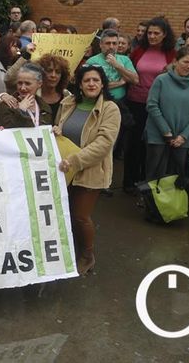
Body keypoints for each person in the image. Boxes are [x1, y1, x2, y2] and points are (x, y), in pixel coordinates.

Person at [53, 65, 120, 275]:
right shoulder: (68, 103)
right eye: (87, 80)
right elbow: (59, 129)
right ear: (80, 85)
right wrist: (56, 131)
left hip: (90, 170)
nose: (91, 84)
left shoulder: (110, 109)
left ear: (102, 84)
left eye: (96, 80)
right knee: (66, 214)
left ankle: (87, 256)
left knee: (81, 216)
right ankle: (70, 252)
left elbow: (103, 144)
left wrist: (75, 160)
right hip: (65, 168)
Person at [124, 17, 177, 193]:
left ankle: (146, 183)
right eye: (149, 33)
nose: (152, 36)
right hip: (135, 102)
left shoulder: (172, 54)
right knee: (133, 144)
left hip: (158, 106)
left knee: (152, 146)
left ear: (165, 35)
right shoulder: (139, 51)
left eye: (156, 33)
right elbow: (129, 73)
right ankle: (129, 182)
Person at [143, 47, 189, 188]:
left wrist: (184, 136)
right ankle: (151, 206)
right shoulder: (161, 80)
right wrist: (166, 132)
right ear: (175, 61)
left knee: (176, 177)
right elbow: (152, 105)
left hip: (181, 139)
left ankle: (171, 208)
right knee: (154, 174)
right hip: (158, 136)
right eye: (185, 61)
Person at [86, 30, 139, 102]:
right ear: (101, 44)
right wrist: (119, 83)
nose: (111, 46)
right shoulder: (92, 61)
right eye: (108, 43)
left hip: (120, 101)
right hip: (100, 101)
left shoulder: (124, 59)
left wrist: (117, 66)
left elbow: (135, 80)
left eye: (114, 43)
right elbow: (93, 86)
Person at [0, 63, 53, 128]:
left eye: (27, 83)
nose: (22, 88)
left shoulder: (45, 108)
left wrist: (54, 132)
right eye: (20, 83)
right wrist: (20, 111)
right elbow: (7, 131)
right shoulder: (5, 106)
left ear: (39, 84)